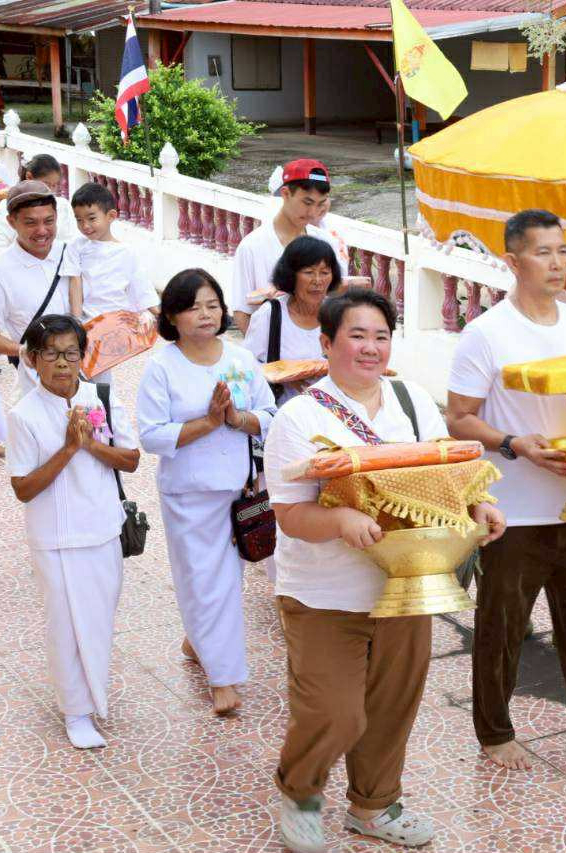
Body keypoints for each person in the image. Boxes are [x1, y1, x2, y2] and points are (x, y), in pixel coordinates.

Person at [265, 287, 506, 853]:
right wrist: (342, 520)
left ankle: (373, 806)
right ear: (326, 344)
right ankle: (301, 794)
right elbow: (291, 514)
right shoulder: (297, 418)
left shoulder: (412, 400)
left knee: (392, 704)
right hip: (325, 594)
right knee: (334, 711)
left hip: (408, 583)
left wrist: (478, 506)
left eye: (380, 336)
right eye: (356, 335)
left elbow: (448, 473)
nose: (370, 348)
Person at [446, 209, 566, 785]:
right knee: (503, 625)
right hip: (513, 510)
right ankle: (495, 731)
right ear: (512, 261)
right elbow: (459, 418)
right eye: (543, 252)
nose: (558, 263)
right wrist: (513, 444)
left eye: (564, 251)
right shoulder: (486, 333)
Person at [137, 269, 276, 716]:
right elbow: (152, 435)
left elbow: (271, 414)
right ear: (173, 316)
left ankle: (204, 648)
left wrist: (237, 420)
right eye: (194, 306)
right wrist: (207, 424)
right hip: (187, 492)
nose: (206, 314)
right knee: (203, 579)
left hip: (236, 488)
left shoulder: (240, 359)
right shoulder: (162, 366)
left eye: (212, 305)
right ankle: (224, 677)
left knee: (224, 581)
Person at [6, 314, 140, 749]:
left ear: (83, 356)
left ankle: (94, 697)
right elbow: (23, 488)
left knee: (98, 620)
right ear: (31, 359)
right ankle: (77, 711)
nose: (62, 364)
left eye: (71, 353)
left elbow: (131, 458)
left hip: (102, 528)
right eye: (51, 353)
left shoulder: (100, 395)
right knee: (64, 624)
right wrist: (68, 449)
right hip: (54, 538)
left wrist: (90, 444)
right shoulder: (23, 415)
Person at [229, 159, 350, 335]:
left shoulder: (326, 242)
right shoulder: (252, 247)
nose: (312, 212)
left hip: (320, 352)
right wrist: (267, 352)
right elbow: (242, 312)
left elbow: (336, 296)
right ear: (285, 193)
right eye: (307, 203)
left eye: (320, 203)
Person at [65, 181, 159, 386]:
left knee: (99, 376)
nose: (85, 226)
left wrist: (168, 316)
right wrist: (75, 320)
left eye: (91, 218)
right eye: (79, 220)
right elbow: (74, 282)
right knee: (87, 374)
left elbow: (141, 288)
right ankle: (96, 412)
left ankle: (102, 411)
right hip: (87, 320)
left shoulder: (127, 252)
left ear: (111, 216)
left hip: (114, 322)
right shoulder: (76, 246)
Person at [0, 181, 80, 398]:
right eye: (31, 223)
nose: (42, 231)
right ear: (11, 222)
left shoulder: (70, 253)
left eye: (49, 221)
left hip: (86, 378)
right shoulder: (1, 270)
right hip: (36, 385)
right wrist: (23, 351)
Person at [243, 236, 339, 404]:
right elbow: (245, 367)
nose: (318, 281)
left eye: (324, 272)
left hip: (332, 412)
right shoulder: (270, 314)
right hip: (282, 411)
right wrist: (282, 377)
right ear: (291, 275)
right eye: (309, 272)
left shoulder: (339, 314)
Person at [0, 154, 77, 251]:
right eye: (46, 184)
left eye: (54, 185)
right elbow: (0, 245)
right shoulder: (9, 207)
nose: (49, 190)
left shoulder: (62, 206)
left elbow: (70, 241)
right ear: (29, 177)